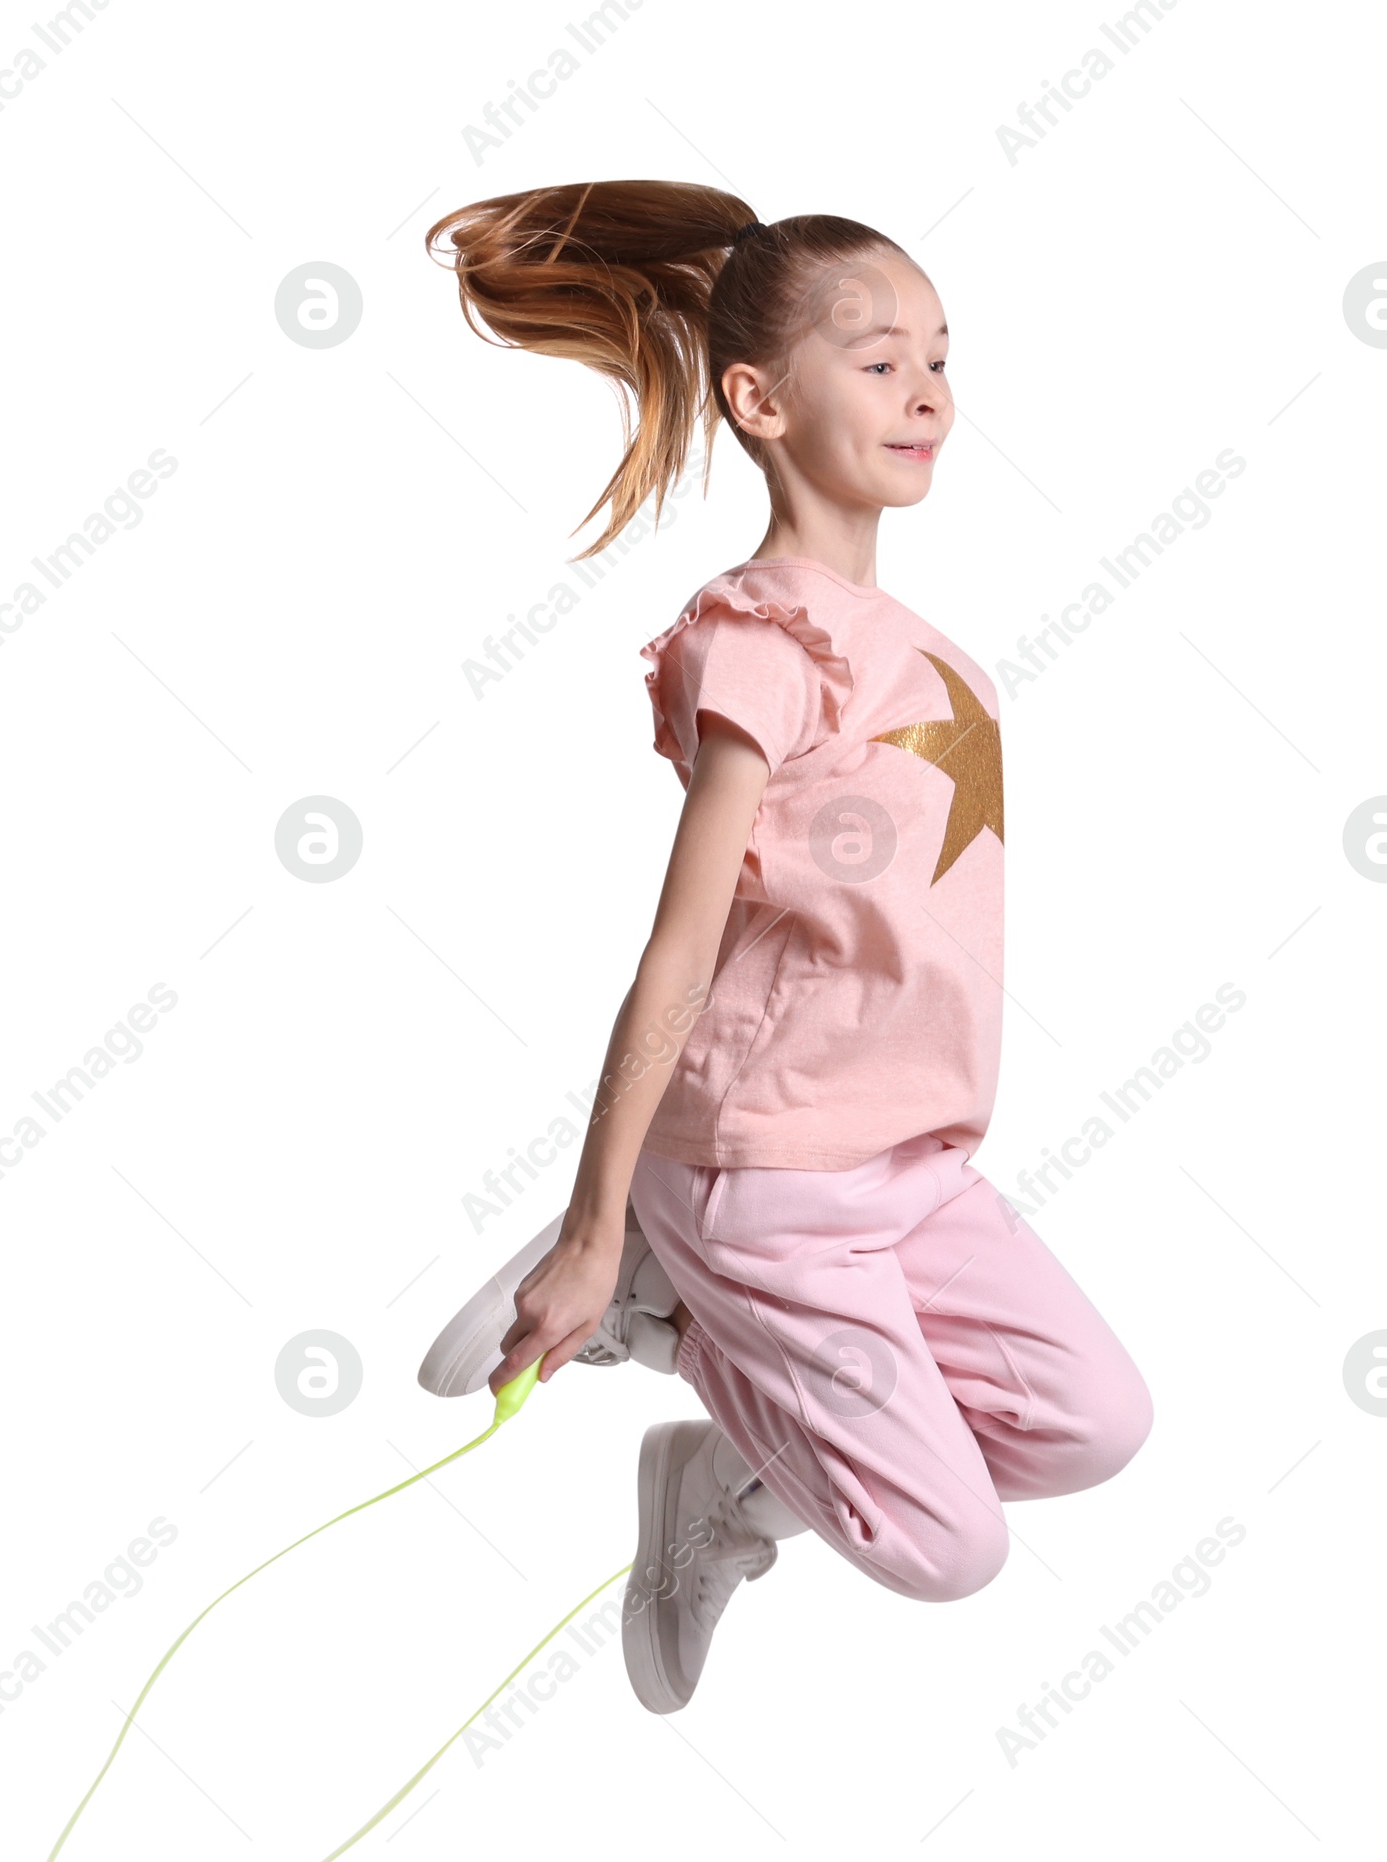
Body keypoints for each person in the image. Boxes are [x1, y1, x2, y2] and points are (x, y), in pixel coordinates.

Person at [419, 182, 1153, 1716]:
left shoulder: (934, 650)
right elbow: (678, 947)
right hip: (766, 1174)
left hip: (910, 1164)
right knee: (949, 1548)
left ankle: (693, 1354)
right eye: (879, 358)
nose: (929, 388)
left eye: (942, 356)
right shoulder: (762, 639)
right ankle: (667, 1305)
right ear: (758, 399)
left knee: (1090, 1422)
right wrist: (590, 1219)